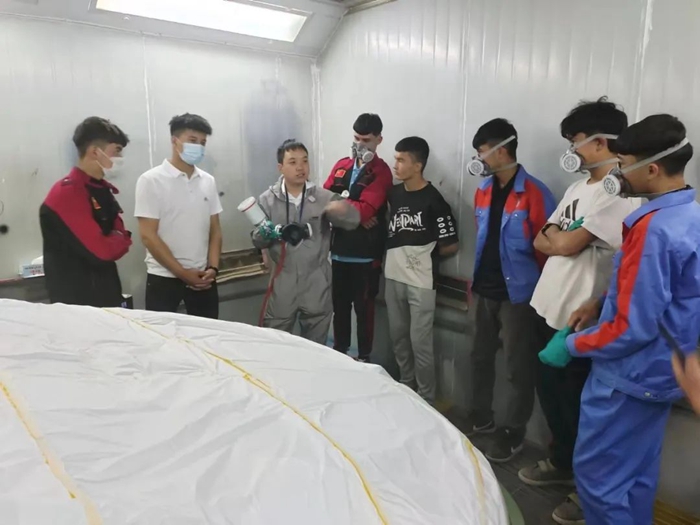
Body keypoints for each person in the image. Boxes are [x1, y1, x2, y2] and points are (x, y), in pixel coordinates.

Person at [546, 114, 700, 525]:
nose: (617, 173)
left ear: (652, 169)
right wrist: (601, 302)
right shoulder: (689, 217)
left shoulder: (652, 230)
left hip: (626, 380)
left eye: (623, 164)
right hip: (661, 374)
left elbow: (632, 328)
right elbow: (664, 295)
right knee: (636, 479)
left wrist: (572, 344)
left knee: (600, 484)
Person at [519, 97, 639, 525]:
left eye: (576, 141)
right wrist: (562, 239)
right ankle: (561, 463)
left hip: (580, 318)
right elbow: (541, 238)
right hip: (547, 305)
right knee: (553, 397)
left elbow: (564, 241)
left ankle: (586, 490)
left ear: (602, 142)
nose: (572, 150)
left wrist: (562, 238)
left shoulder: (619, 193)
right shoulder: (577, 189)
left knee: (582, 407)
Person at [463, 118, 556, 463]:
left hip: (519, 296)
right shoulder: (483, 191)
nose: (479, 159)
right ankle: (481, 416)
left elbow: (547, 250)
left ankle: (512, 431)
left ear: (502, 151)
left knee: (518, 367)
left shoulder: (535, 193)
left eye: (482, 152)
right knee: (479, 357)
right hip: (483, 290)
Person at [252, 139, 360, 344]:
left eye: (304, 161)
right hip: (283, 285)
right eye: (293, 162)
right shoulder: (267, 200)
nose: (300, 167)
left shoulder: (324, 197)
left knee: (316, 347)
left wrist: (344, 211)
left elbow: (354, 221)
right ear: (280, 167)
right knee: (274, 344)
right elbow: (257, 241)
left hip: (316, 284)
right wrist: (270, 233)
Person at [385, 137, 458, 405]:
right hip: (393, 277)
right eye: (395, 159)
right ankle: (407, 387)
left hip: (421, 281)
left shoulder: (434, 200)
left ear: (417, 166)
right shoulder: (393, 194)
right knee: (398, 338)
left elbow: (451, 244)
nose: (395, 165)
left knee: (421, 344)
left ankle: (426, 399)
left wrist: (422, 255)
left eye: (401, 160)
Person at [135, 113, 223, 319]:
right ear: (174, 141)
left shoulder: (207, 181)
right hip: (163, 278)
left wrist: (213, 268)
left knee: (208, 334)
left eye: (203, 143)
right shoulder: (151, 180)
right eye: (192, 140)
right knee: (163, 336)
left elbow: (215, 231)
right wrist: (183, 274)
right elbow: (148, 236)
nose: (199, 147)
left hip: (203, 278)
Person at [40, 117, 132, 307]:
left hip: (106, 293)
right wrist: (117, 238)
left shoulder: (101, 189)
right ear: (95, 151)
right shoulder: (67, 193)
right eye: (117, 151)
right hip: (78, 302)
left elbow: (123, 237)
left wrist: (117, 238)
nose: (120, 158)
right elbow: (101, 252)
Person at [323, 113, 393, 362]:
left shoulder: (381, 172)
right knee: (339, 308)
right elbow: (323, 201)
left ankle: (364, 356)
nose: (360, 144)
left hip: (365, 255)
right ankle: (340, 352)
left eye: (366, 140)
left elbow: (364, 210)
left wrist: (346, 210)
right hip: (338, 252)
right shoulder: (341, 165)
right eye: (356, 138)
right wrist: (352, 213)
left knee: (364, 310)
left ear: (378, 140)